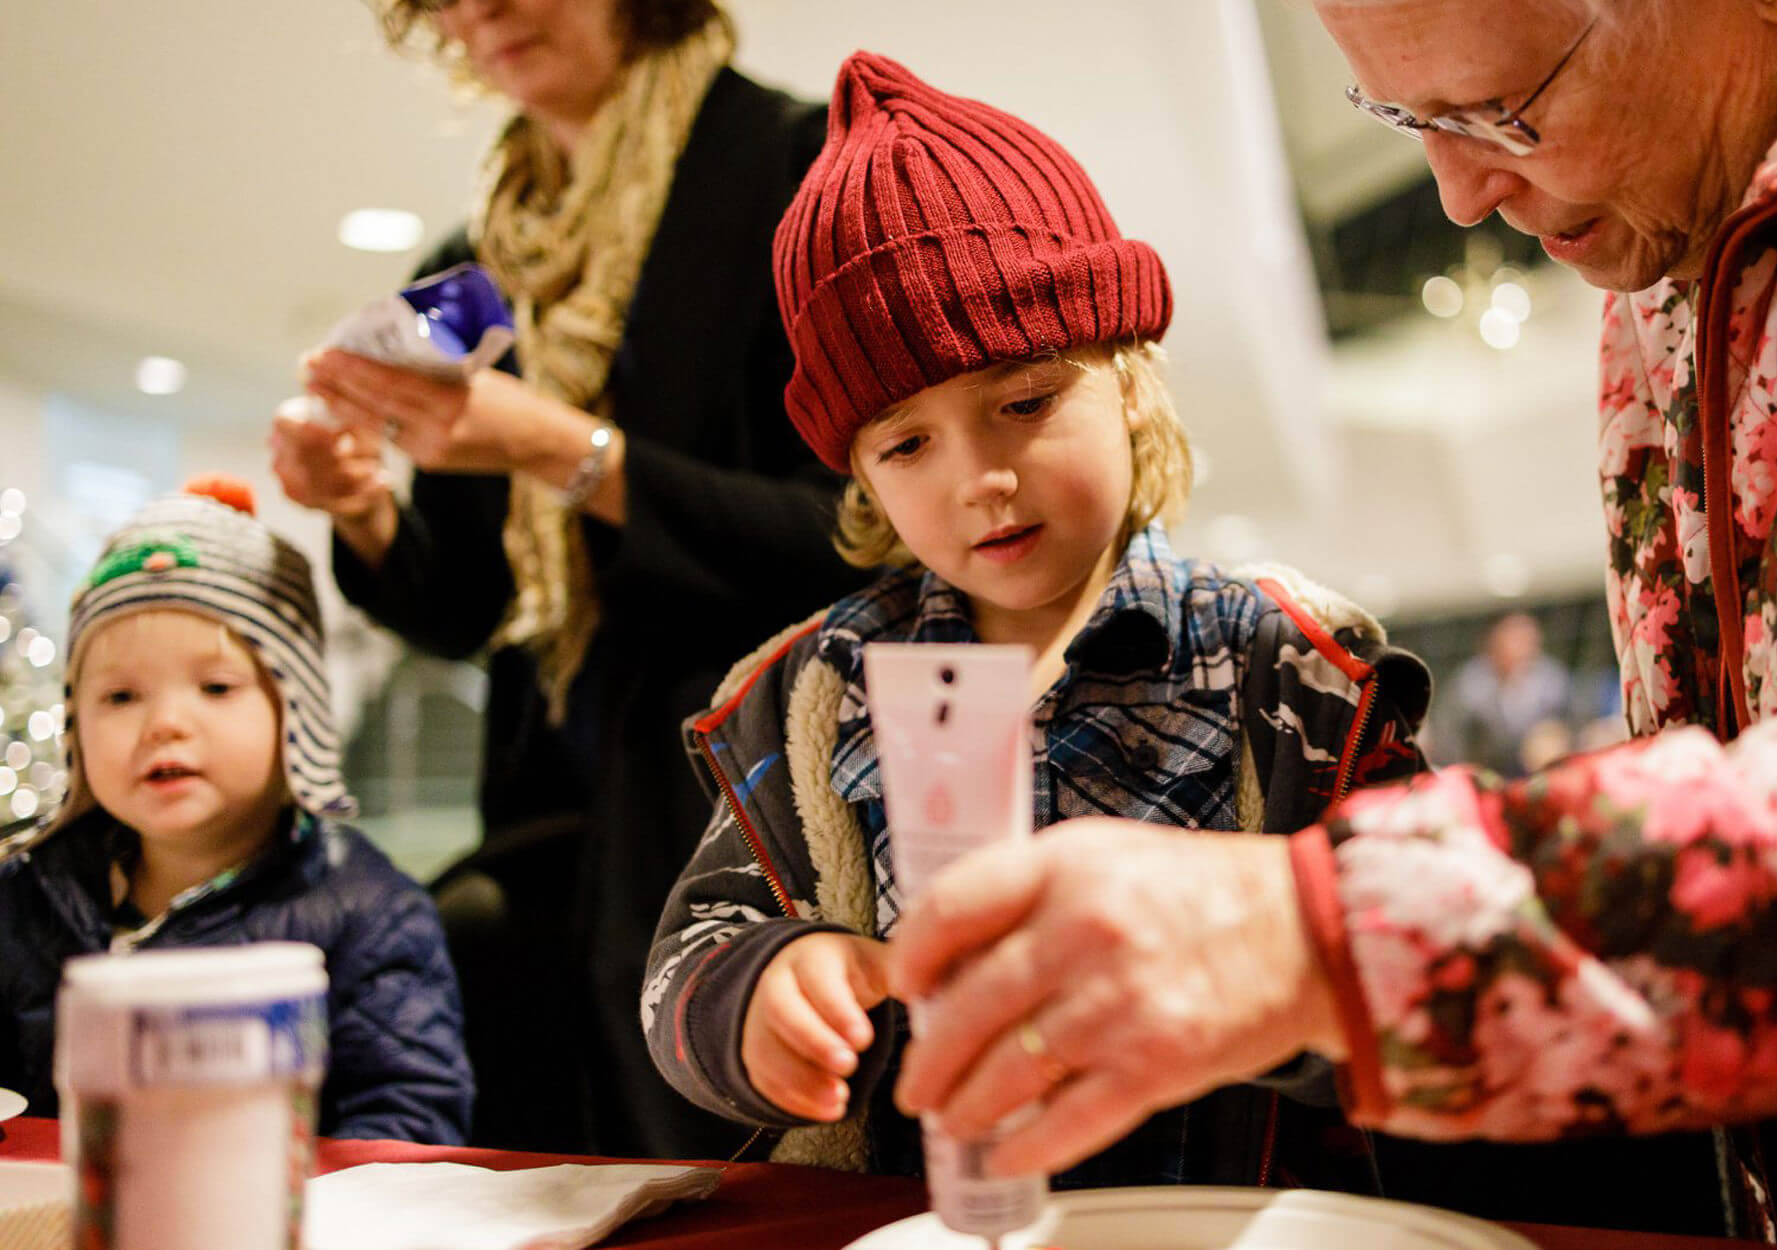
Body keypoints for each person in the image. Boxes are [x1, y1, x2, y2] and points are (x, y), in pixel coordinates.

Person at [885, 0, 1777, 1243]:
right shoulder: (1665, 240)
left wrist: (1326, 939)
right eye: (1407, 120)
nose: (1462, 195)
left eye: (1497, 110)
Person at [640, 51, 1430, 1186]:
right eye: (907, 443)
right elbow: (688, 955)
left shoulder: (1293, 667)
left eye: (1025, 401)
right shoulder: (813, 696)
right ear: (860, 477)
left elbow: (1424, 951)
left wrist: (1273, 979)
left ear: (1131, 380)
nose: (982, 479)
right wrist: (757, 996)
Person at [269, 0, 862, 1156]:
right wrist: (364, 506)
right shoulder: (475, 260)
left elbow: (851, 535)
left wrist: (562, 448)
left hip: (747, 813)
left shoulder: (799, 172)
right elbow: (464, 607)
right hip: (551, 821)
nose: (478, 11)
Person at [0, 478, 473, 1145]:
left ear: (297, 712)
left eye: (216, 687)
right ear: (75, 723)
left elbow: (409, 1123)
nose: (164, 722)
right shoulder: (27, 893)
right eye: (120, 697)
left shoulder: (371, 912)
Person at [1424, 611, 1574, 775]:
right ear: (1493, 642)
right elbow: (1448, 737)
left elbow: (1568, 724)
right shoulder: (1469, 685)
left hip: (1540, 771)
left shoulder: (1551, 679)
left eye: (1529, 640)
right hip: (1484, 773)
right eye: (1516, 639)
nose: (1525, 647)